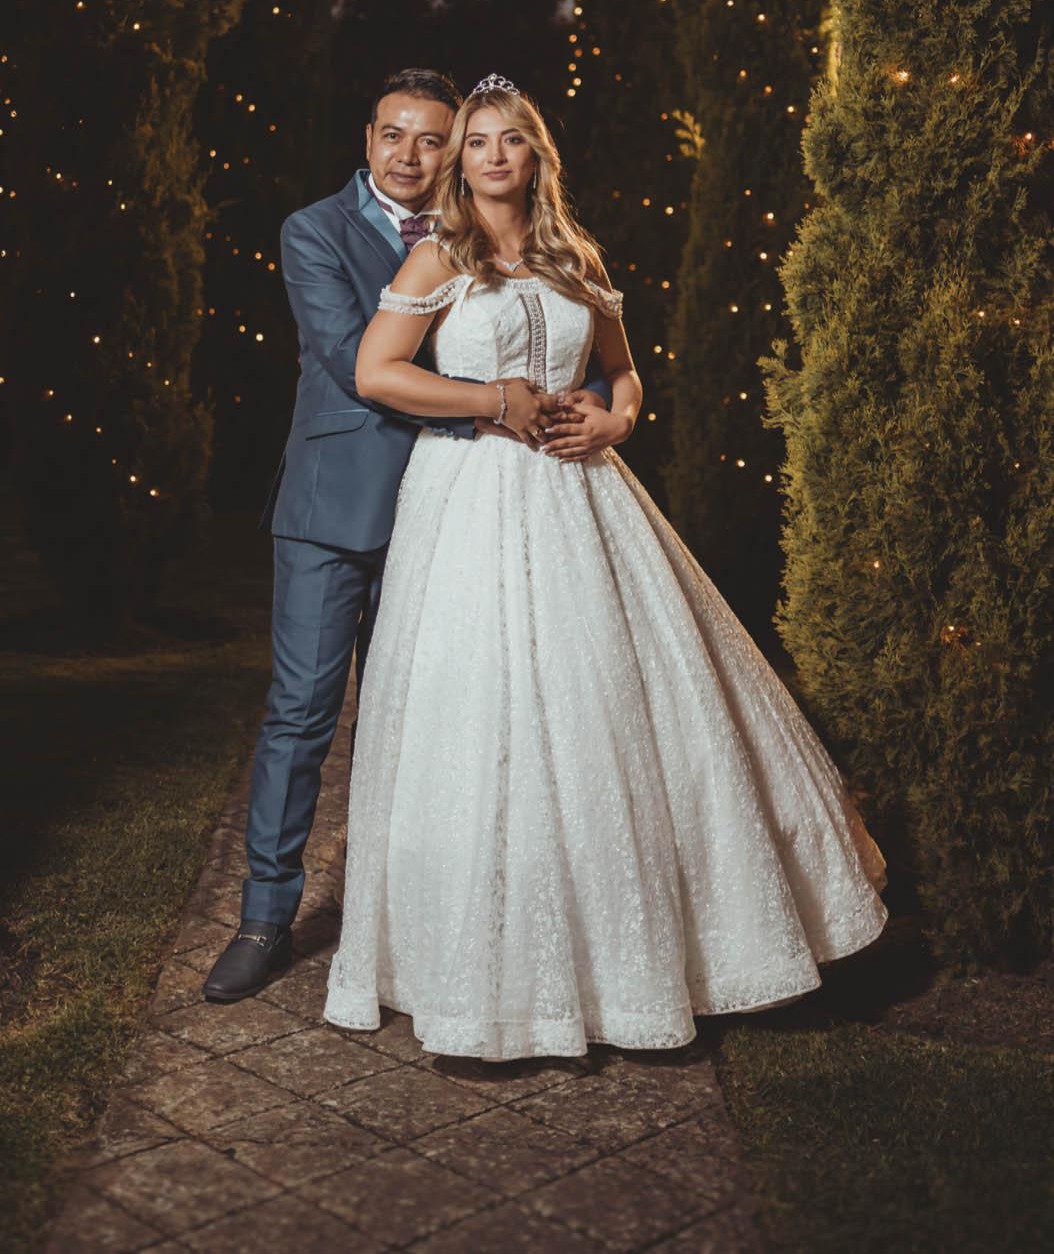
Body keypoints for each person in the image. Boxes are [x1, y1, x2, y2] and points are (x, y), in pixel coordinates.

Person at [323, 73, 889, 1059]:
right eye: (477, 141)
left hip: (583, 489)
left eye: (510, 139)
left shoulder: (576, 257)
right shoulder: (439, 256)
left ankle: (641, 966)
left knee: (611, 696)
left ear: (535, 155)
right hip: (472, 494)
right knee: (489, 704)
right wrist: (490, 400)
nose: (492, 156)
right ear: (460, 161)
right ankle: (481, 980)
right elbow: (377, 371)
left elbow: (624, 374)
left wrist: (616, 421)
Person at [203, 68, 619, 1003]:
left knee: (436, 718)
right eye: (394, 134)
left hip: (457, 514)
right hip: (338, 508)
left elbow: (557, 344)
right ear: (367, 139)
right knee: (304, 711)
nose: (411, 154)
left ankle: (407, 913)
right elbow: (355, 363)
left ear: (454, 152)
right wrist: (494, 402)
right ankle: (264, 917)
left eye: (433, 139)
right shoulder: (315, 231)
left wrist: (591, 402)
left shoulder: (488, 235)